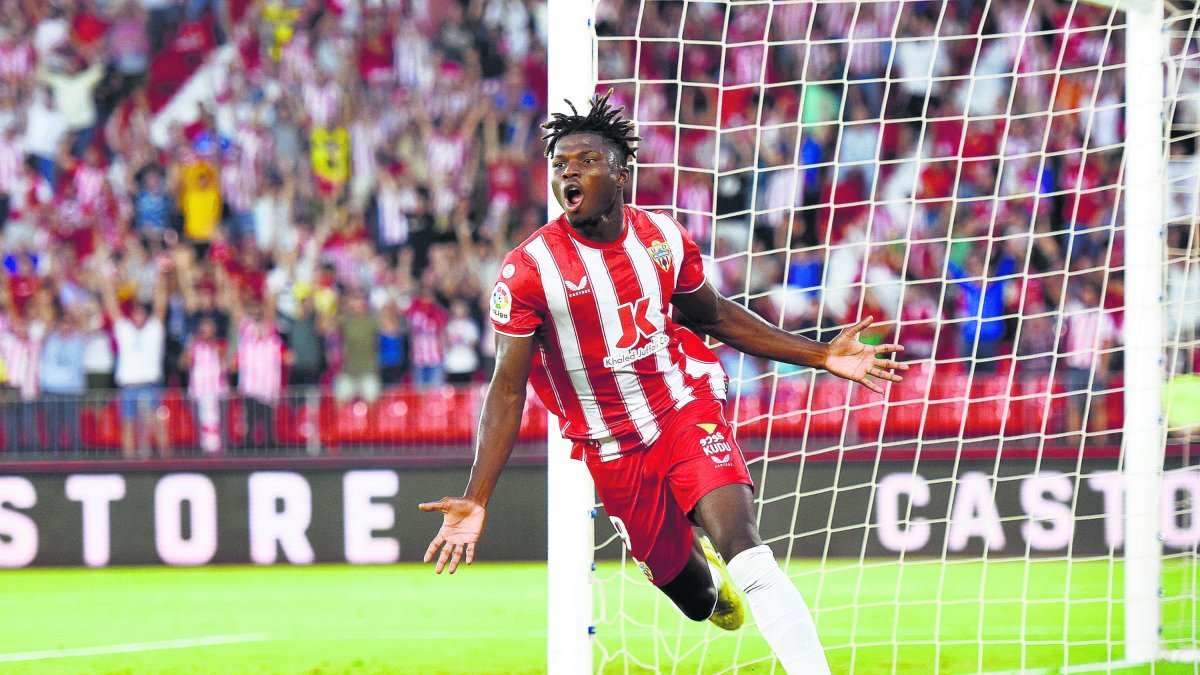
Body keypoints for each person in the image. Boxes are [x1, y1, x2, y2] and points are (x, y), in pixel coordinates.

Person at [418, 92, 907, 674]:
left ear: (622, 174)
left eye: (585, 161)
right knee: (699, 601)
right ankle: (700, 572)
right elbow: (506, 387)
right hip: (610, 444)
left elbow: (715, 316)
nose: (568, 171)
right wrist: (477, 496)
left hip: (682, 404)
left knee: (744, 548)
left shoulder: (661, 237)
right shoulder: (529, 271)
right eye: (560, 164)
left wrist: (821, 354)